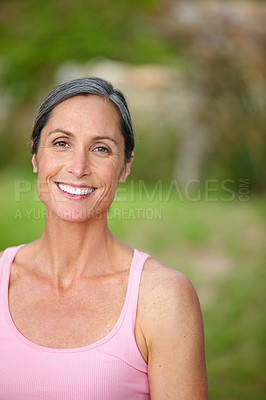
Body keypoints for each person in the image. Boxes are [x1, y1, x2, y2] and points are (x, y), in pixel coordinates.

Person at [0, 77, 208, 399]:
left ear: (125, 167)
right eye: (61, 143)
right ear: (35, 156)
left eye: (101, 149)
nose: (79, 167)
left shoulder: (163, 299)